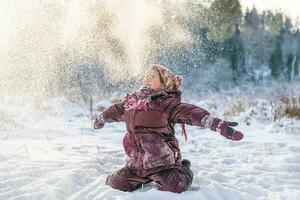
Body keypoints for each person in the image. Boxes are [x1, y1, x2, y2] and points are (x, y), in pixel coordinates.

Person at [94, 64, 244, 193]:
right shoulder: (132, 102)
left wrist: (217, 124)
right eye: (146, 76)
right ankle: (143, 177)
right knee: (114, 183)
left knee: (175, 187)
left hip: (162, 163)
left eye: (152, 77)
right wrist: (101, 119)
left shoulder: (167, 104)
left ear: (164, 83)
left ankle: (184, 169)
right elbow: (115, 111)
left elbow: (189, 113)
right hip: (136, 164)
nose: (147, 79)